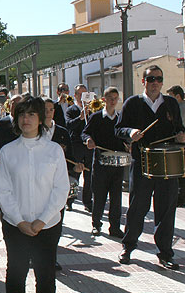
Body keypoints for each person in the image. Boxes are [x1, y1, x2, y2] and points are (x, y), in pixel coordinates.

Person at [0, 96, 69, 293]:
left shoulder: (54, 150)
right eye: (22, 114)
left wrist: (41, 220)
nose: (26, 119)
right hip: (16, 225)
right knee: (15, 272)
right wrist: (19, 221)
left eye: (31, 115)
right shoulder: (8, 151)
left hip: (47, 226)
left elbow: (61, 189)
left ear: (41, 119)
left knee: (45, 277)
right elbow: (3, 190)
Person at [115, 65, 185, 270]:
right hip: (142, 163)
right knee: (137, 207)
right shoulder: (132, 103)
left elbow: (179, 128)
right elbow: (118, 129)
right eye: (150, 79)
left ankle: (165, 253)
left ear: (162, 82)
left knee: (166, 210)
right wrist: (131, 133)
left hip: (167, 165)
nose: (155, 82)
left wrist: (182, 135)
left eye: (158, 79)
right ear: (144, 81)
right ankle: (128, 247)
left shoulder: (171, 104)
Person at [81, 87, 125, 238]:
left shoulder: (121, 119)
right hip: (100, 164)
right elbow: (85, 132)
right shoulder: (96, 117)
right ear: (104, 100)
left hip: (117, 165)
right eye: (110, 98)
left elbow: (125, 136)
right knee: (99, 196)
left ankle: (115, 227)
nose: (113, 101)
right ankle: (96, 225)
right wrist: (88, 140)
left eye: (115, 98)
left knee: (116, 197)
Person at [43, 97, 81, 271]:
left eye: (51, 109)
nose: (48, 112)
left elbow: (71, 157)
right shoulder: (32, 132)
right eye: (44, 109)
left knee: (57, 219)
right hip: (39, 183)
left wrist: (76, 167)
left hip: (57, 183)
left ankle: (51, 256)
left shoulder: (62, 132)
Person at [0, 94, 22, 212]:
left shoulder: (28, 126)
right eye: (14, 104)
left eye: (20, 105)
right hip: (3, 170)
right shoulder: (1, 124)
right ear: (9, 105)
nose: (17, 107)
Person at [166, 85, 185, 208]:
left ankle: (181, 198)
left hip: (180, 143)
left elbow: (176, 126)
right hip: (184, 142)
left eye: (171, 96)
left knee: (180, 173)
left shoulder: (180, 109)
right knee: (182, 173)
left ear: (177, 96)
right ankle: (181, 197)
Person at [65, 84, 93, 212]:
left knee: (89, 176)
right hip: (76, 146)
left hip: (88, 147)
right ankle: (69, 200)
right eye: (81, 94)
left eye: (86, 94)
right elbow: (68, 125)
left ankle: (87, 201)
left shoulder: (92, 109)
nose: (84, 97)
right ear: (75, 95)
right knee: (74, 175)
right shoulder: (71, 110)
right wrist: (80, 117)